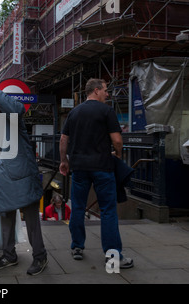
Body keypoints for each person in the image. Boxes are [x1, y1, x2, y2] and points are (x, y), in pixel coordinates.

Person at [0, 81, 48, 275]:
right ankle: (9, 255)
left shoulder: (8, 108)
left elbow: (18, 109)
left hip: (21, 170)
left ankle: (40, 257)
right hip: (2, 173)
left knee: (31, 216)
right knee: (5, 214)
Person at [59, 78, 133, 269]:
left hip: (79, 168)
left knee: (77, 207)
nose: (108, 94)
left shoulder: (74, 112)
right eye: (106, 90)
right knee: (108, 211)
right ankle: (113, 256)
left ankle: (77, 247)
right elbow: (117, 140)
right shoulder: (106, 111)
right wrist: (117, 155)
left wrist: (64, 161)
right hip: (102, 167)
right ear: (97, 90)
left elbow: (63, 140)